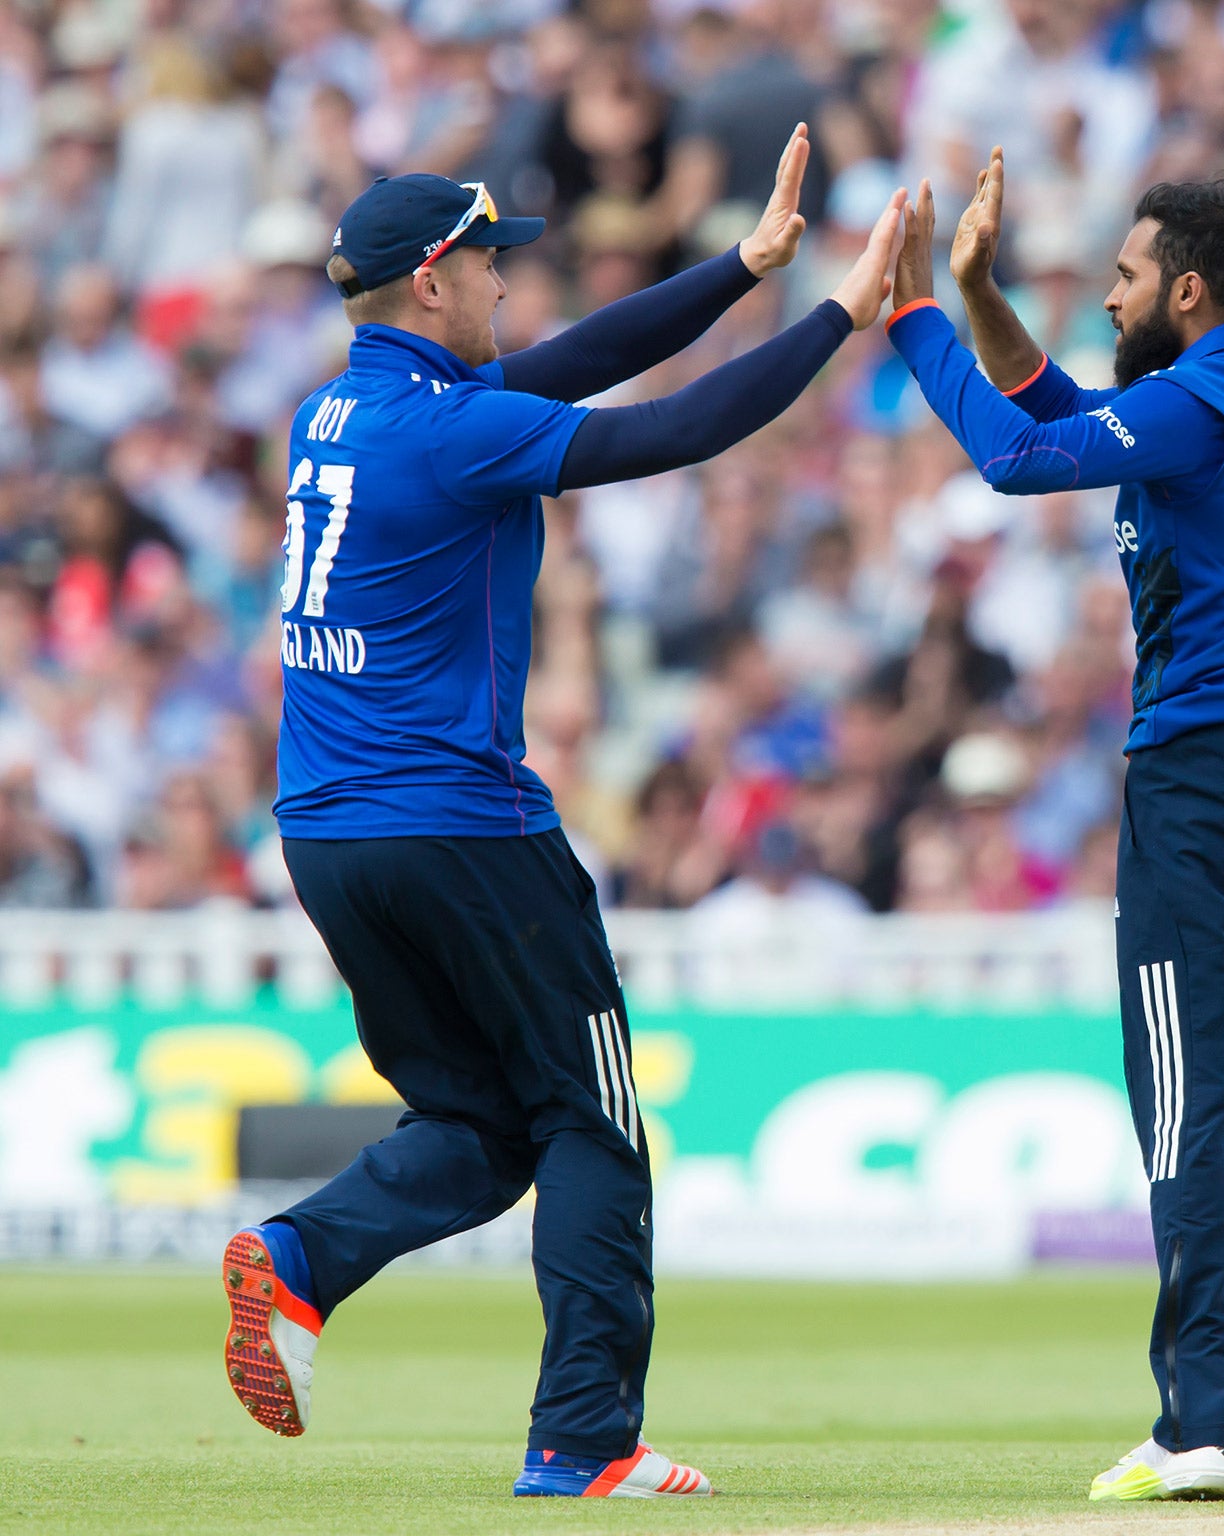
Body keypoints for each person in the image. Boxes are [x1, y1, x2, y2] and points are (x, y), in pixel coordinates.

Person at [217, 129, 906, 1498]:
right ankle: (585, 1438)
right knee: (595, 1121)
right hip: (465, 823)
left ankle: (295, 1261)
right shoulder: (457, 430)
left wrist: (747, 265)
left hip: (331, 835)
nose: (505, 287)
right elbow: (680, 427)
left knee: (484, 1123)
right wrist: (840, 312)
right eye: (487, 264)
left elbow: (568, 363)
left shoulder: (337, 414)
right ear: (430, 282)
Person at [885, 151, 1224, 1501]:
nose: (1104, 300)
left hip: (1212, 762)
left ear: (1182, 287)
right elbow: (1059, 402)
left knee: (1188, 1088)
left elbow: (1018, 455)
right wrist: (983, 291)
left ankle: (1196, 1427)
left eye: (1120, 281)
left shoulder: (1194, 402)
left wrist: (911, 321)